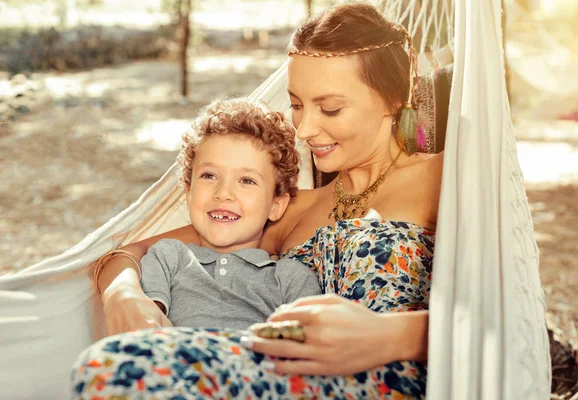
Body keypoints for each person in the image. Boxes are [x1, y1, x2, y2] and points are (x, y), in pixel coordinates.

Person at [71, 3, 443, 399]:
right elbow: (128, 253)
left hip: (387, 383)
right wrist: (123, 295)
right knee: (115, 366)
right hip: (283, 378)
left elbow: (508, 308)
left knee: (116, 367)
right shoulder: (290, 208)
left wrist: (391, 335)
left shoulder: (444, 177)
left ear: (393, 99)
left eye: (330, 108)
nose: (304, 128)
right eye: (297, 104)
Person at [138, 99, 321, 330]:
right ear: (188, 192)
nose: (223, 193)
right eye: (209, 176)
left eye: (247, 180)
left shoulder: (290, 277)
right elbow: (144, 326)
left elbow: (308, 344)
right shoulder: (168, 257)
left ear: (276, 205)